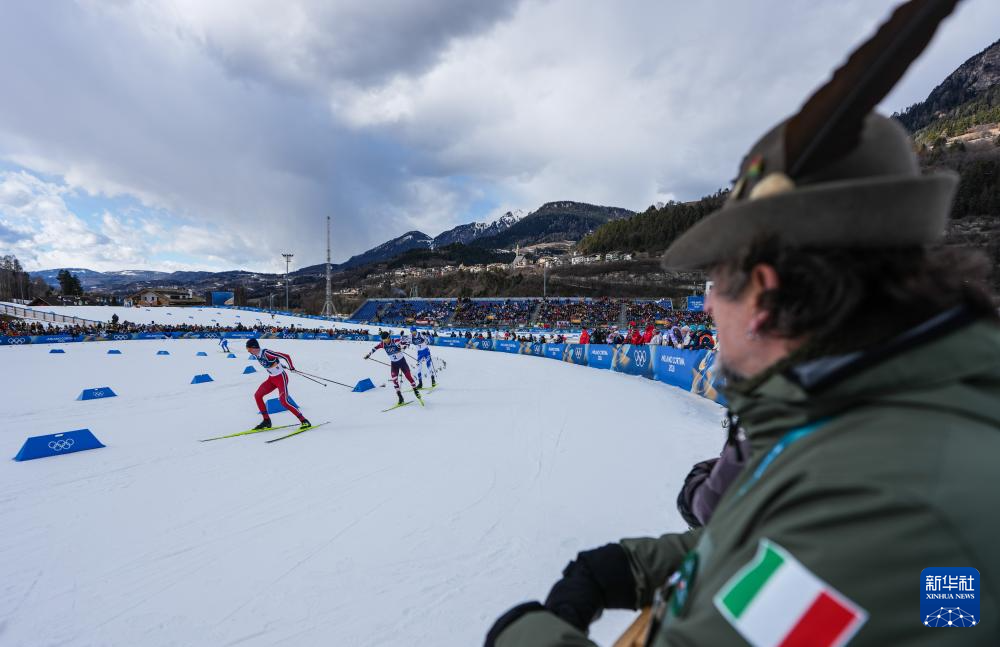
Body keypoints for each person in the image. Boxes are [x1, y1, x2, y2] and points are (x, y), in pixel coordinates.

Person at [485, 2, 1000, 645]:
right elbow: (778, 559)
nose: (705, 307)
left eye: (713, 282)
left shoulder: (893, 498)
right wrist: (636, 565)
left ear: (762, 294)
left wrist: (522, 633)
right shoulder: (883, 427)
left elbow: (822, 566)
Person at [245, 338, 309, 430]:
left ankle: (304, 421)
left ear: (254, 347)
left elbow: (286, 356)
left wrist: (291, 367)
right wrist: (279, 364)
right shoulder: (256, 354)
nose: (248, 351)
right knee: (257, 395)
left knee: (284, 401)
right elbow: (271, 362)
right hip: (271, 379)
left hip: (281, 378)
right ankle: (266, 421)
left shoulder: (266, 353)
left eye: (249, 349)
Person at [365, 331, 422, 406]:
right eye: (383, 340)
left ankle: (415, 390)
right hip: (394, 364)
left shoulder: (395, 341)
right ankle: (400, 397)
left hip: (402, 362)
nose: (384, 341)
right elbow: (375, 348)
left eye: (385, 339)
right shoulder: (383, 344)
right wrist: (369, 354)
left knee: (408, 377)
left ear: (389, 337)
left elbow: (407, 343)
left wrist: (402, 348)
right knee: (394, 379)